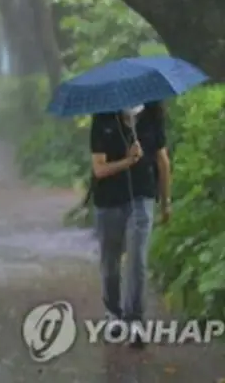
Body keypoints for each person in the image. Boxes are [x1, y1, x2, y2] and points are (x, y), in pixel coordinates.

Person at [90, 101, 171, 348]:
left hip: (142, 197)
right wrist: (128, 161)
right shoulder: (103, 117)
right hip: (109, 200)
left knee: (137, 259)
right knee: (111, 261)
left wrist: (166, 202)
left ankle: (135, 318)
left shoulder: (152, 115)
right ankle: (113, 312)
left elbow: (162, 161)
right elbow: (99, 169)